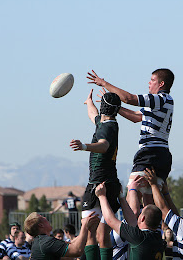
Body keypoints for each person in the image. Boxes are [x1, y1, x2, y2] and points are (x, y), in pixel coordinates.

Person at [87, 69, 175, 211]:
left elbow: (129, 98)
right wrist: (114, 106)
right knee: (149, 199)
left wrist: (104, 83)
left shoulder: (160, 98)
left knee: (133, 189)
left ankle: (132, 229)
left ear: (161, 84)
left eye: (152, 80)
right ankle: (154, 230)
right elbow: (136, 116)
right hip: (162, 155)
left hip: (150, 153)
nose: (149, 82)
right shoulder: (162, 103)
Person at [69, 90, 122, 260]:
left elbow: (104, 145)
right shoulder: (108, 123)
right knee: (103, 234)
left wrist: (84, 146)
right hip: (112, 183)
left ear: (103, 107)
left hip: (98, 183)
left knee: (90, 230)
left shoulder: (106, 128)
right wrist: (89, 102)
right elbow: (93, 115)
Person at [95, 180, 164, 260]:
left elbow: (110, 220)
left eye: (140, 214)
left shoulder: (139, 237)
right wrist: (121, 197)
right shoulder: (157, 237)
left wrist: (101, 196)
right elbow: (132, 221)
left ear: (142, 218)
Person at [24, 211, 99, 260]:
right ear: (41, 225)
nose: (45, 217)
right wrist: (84, 225)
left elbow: (69, 244)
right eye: (42, 217)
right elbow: (77, 250)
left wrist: (87, 231)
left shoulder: (40, 241)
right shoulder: (46, 242)